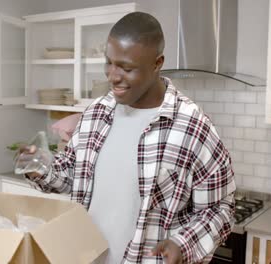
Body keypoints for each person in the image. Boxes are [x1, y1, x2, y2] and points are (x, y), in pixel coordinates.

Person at [24, 11, 236, 264]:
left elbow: (219, 209)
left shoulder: (193, 127)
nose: (112, 76)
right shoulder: (97, 112)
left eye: (126, 68)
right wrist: (40, 166)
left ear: (157, 63)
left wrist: (184, 244)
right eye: (109, 62)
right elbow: (73, 175)